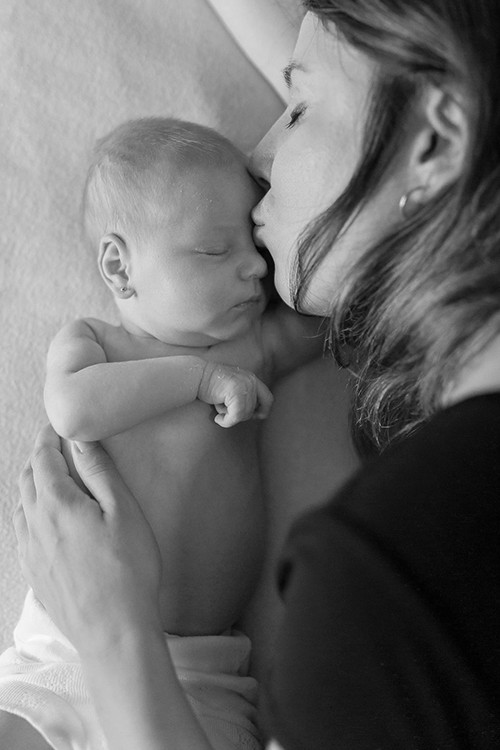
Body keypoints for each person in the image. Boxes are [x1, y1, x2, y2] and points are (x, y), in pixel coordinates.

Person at [10, 0, 500, 748]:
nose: (257, 159)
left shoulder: (388, 581)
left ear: (441, 137)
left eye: (296, 109)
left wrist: (117, 634)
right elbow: (389, 81)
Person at [0, 117, 323, 750]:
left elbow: (337, 315)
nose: (252, 269)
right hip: (61, 648)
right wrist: (198, 377)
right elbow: (72, 410)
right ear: (120, 267)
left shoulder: (252, 348)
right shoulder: (98, 343)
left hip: (204, 678)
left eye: (255, 248)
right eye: (214, 250)